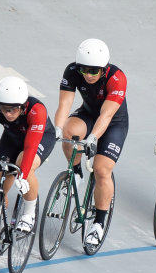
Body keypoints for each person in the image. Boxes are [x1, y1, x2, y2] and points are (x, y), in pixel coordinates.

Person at [52, 38, 129, 248]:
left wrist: (93, 138)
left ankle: (98, 223)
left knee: (101, 169)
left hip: (113, 122)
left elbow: (106, 114)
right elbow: (65, 103)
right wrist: (57, 129)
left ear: (103, 69)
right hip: (88, 114)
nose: (88, 74)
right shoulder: (71, 70)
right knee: (68, 132)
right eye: (84, 69)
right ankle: (76, 174)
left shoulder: (117, 78)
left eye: (94, 71)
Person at [0, 76, 54, 233]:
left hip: (40, 139)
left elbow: (31, 146)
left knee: (24, 164)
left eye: (13, 109)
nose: (8, 114)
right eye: (4, 109)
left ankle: (29, 214)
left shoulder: (37, 110)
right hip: (12, 139)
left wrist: (23, 175)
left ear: (23, 106)